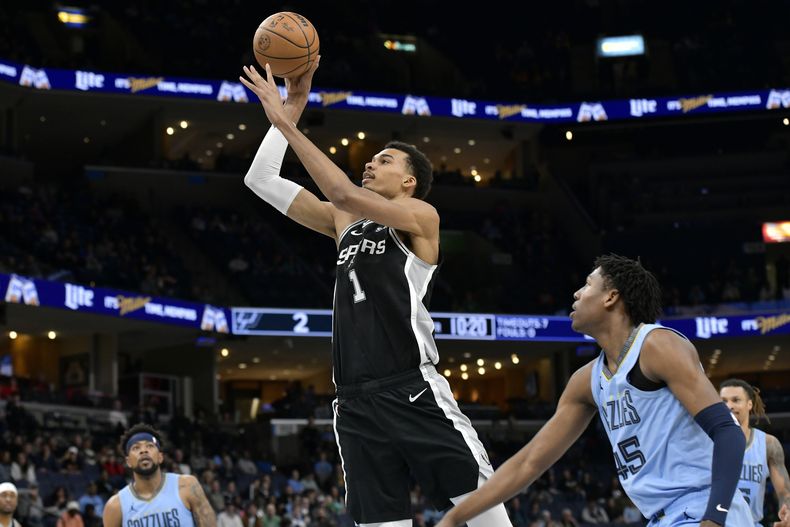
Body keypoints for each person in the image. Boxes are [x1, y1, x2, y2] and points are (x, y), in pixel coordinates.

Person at [239, 61, 511, 527]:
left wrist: (284, 119)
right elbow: (260, 180)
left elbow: (342, 194)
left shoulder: (420, 216)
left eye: (384, 160)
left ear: (409, 181)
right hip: (353, 401)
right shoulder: (344, 223)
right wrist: (295, 105)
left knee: (484, 517)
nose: (370, 162)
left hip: (412, 388)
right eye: (373, 158)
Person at [436, 254, 753, 527]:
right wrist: (455, 516)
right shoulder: (586, 381)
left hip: (705, 506)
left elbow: (728, 431)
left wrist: (714, 517)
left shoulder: (658, 345)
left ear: (611, 297)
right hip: (664, 516)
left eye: (587, 285)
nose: (576, 293)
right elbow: (528, 463)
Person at [102, 424, 217, 527]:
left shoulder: (187, 485)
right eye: (136, 448)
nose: (144, 451)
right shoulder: (115, 506)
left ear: (160, 457)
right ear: (128, 462)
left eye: (150, 446)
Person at [720, 379, 790, 526]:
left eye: (736, 400)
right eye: (724, 401)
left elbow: (785, 493)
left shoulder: (768, 444)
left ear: (749, 404)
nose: (729, 406)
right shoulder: (707, 442)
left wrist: (787, 510)